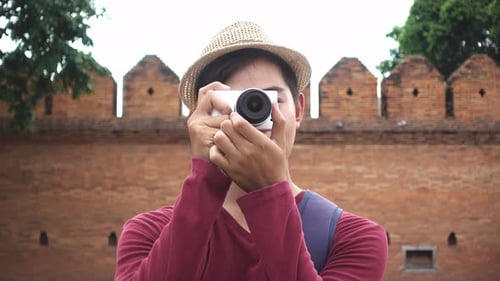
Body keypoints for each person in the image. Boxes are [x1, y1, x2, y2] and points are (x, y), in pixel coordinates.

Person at [115, 21, 388, 281]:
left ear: (299, 109)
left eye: (268, 100)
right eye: (233, 102)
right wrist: (206, 177)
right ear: (201, 116)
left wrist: (270, 191)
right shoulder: (147, 233)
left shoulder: (353, 237)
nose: (252, 117)